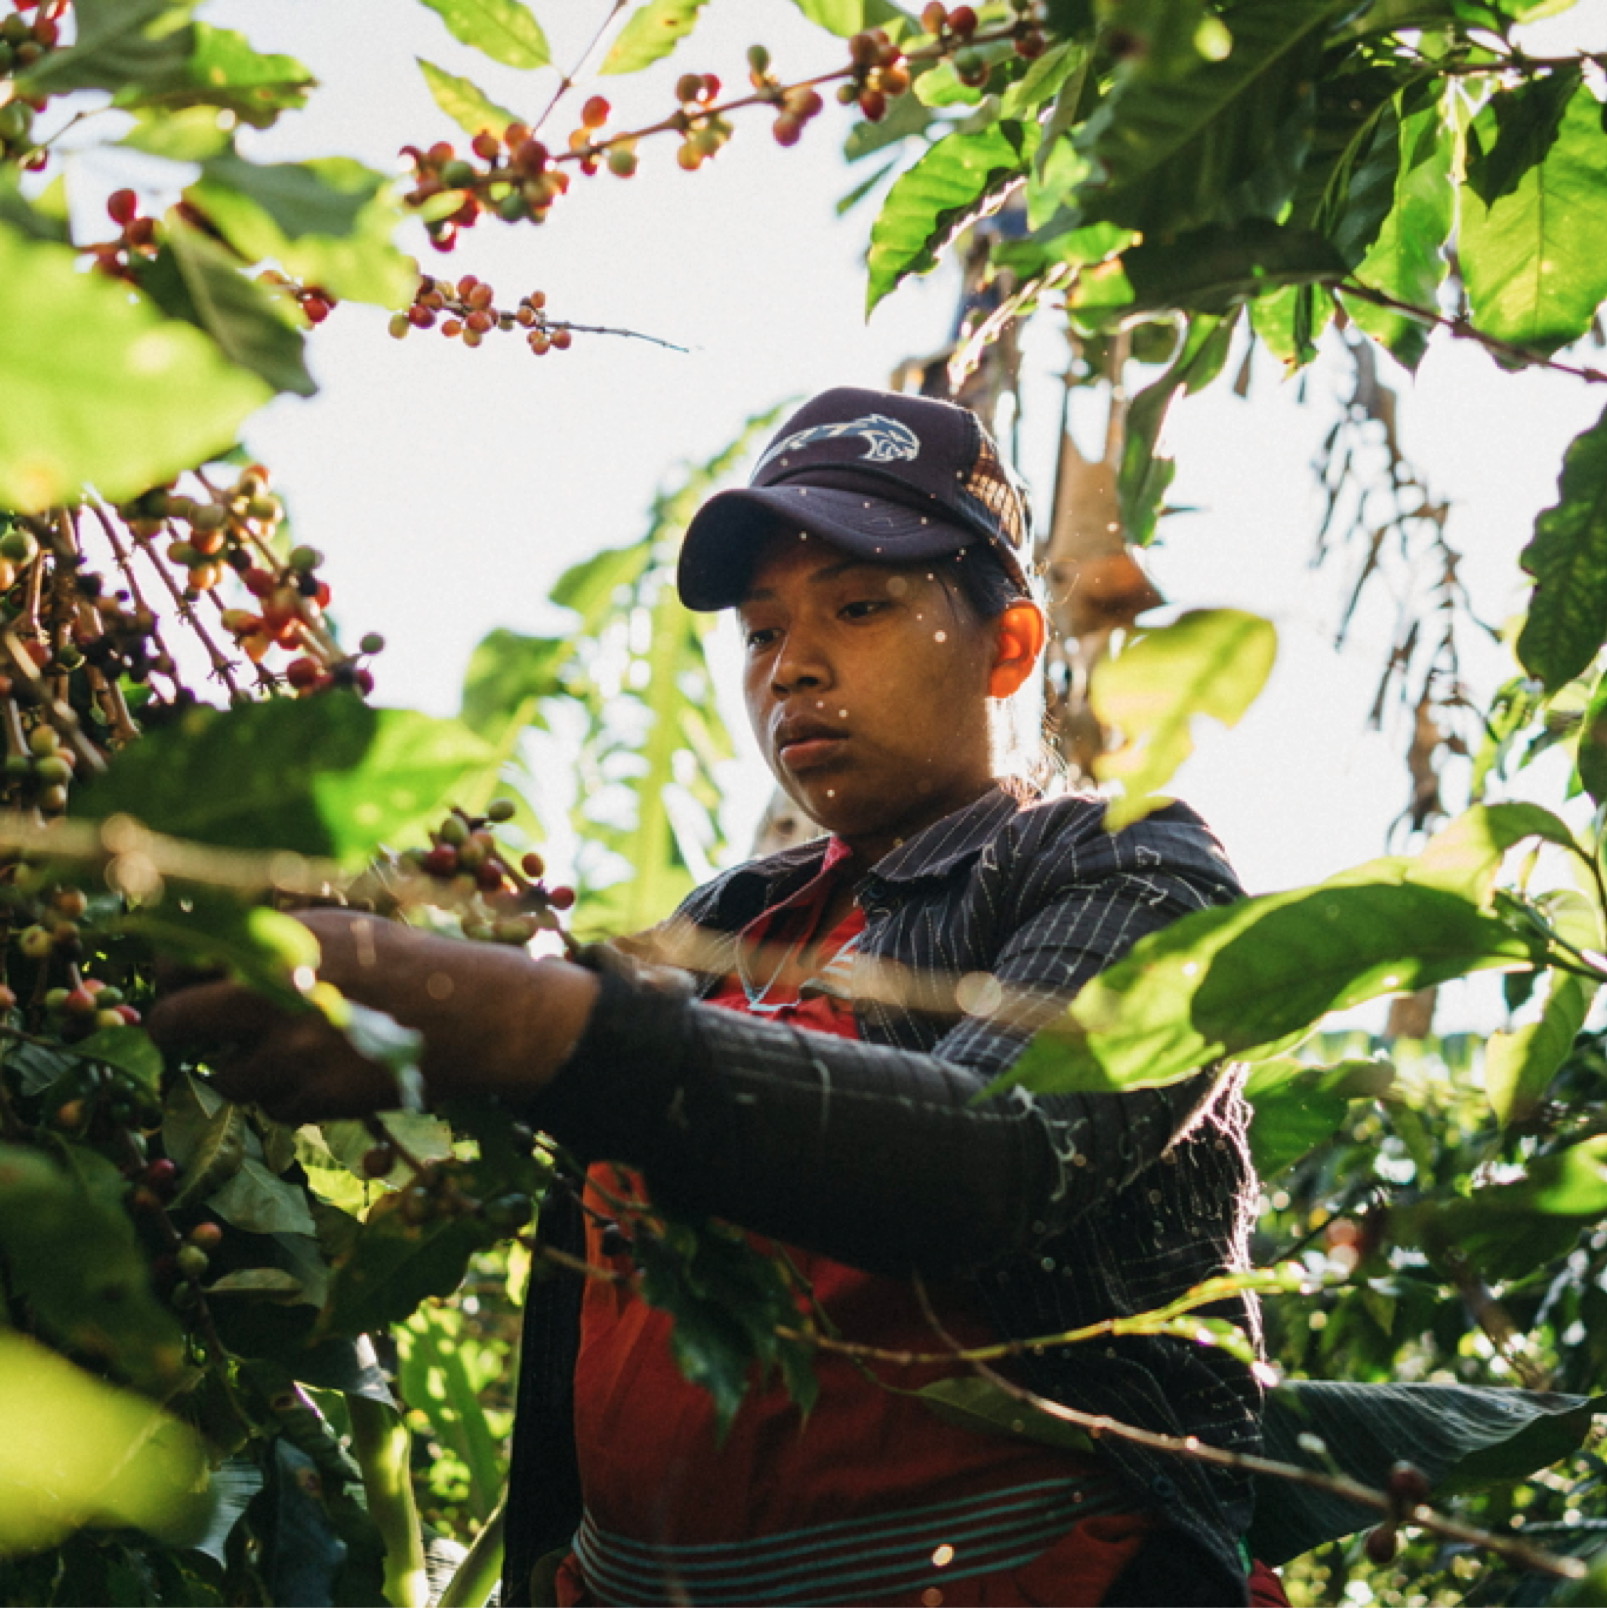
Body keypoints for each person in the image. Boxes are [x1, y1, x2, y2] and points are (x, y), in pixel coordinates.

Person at [151, 387, 1280, 1606]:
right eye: (758, 632)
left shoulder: (1124, 867)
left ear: (1006, 647)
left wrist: (527, 1019)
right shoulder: (724, 923)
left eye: (858, 607)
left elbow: (998, 1158)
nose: (791, 667)